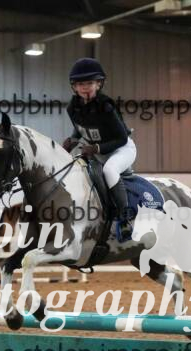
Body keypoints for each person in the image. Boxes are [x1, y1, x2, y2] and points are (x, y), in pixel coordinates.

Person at [62, 57, 136, 240]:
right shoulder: (72, 108)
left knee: (109, 171)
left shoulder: (106, 106)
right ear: (74, 87)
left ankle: (125, 218)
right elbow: (81, 128)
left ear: (98, 84)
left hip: (121, 149)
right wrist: (72, 140)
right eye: (80, 84)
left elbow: (122, 138)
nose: (85, 87)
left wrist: (95, 148)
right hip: (97, 152)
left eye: (89, 83)